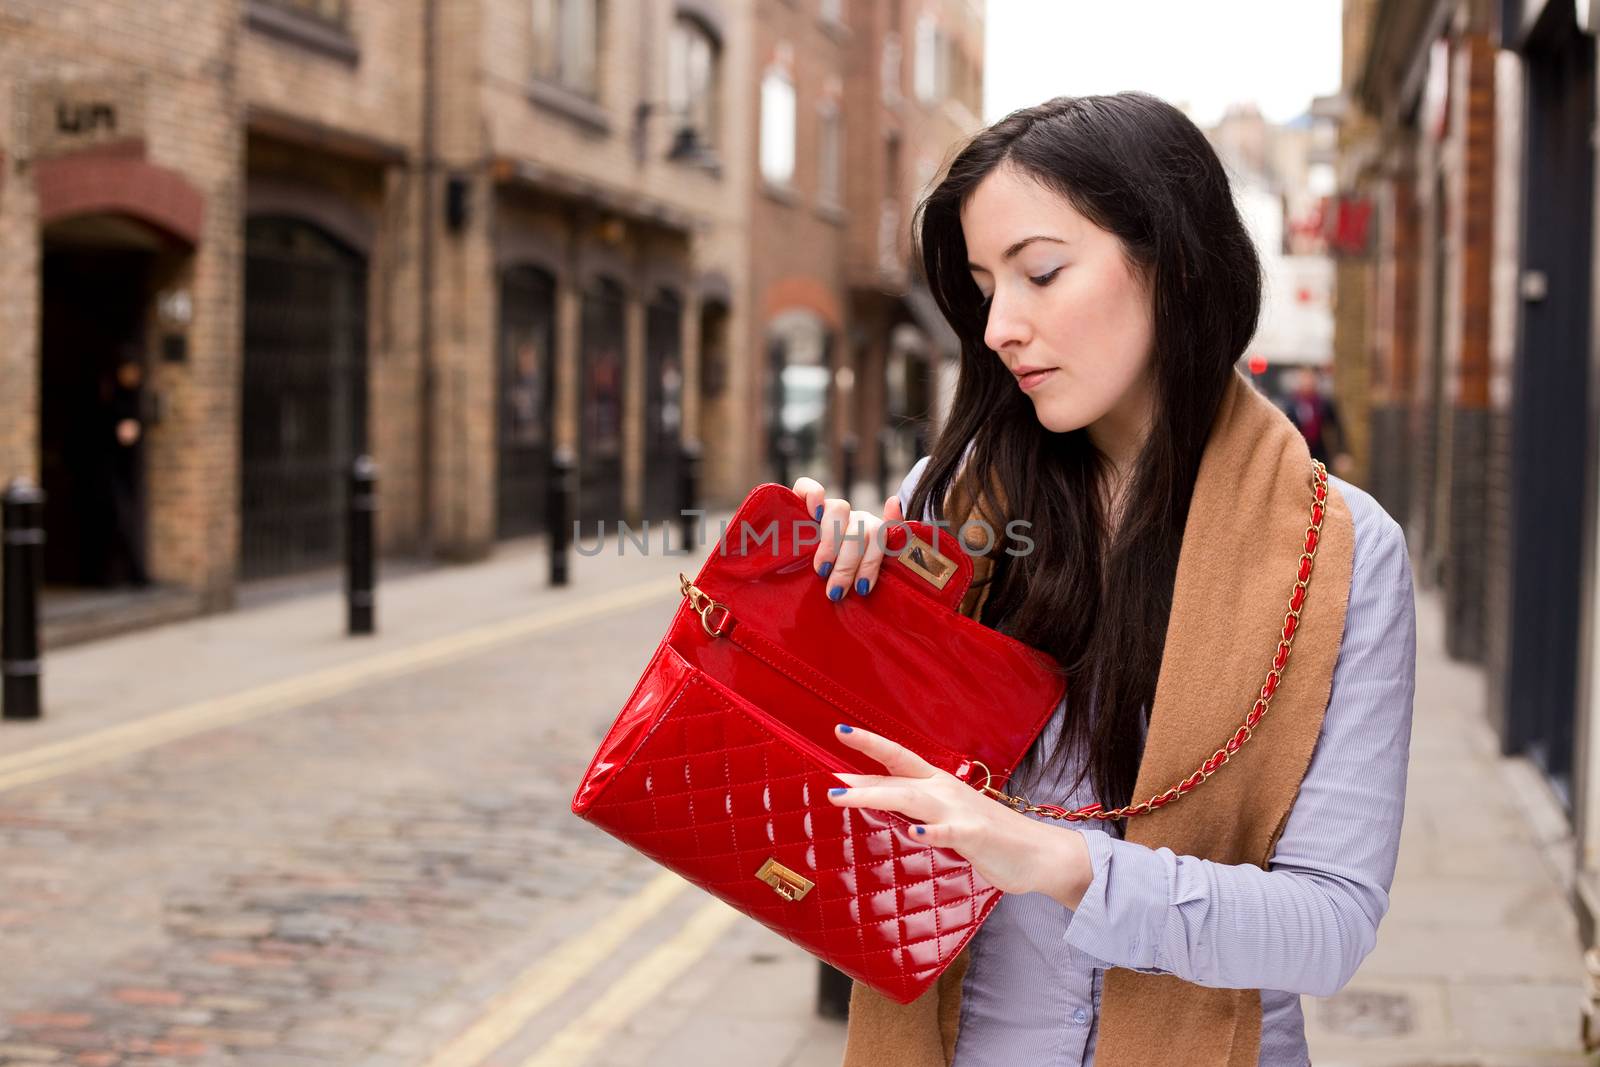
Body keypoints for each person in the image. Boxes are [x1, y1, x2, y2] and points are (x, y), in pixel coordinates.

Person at [789, 93, 1414, 1066]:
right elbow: (837, 823)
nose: (1000, 324)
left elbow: (1329, 924)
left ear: (1172, 261)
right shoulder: (942, 502)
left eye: (1040, 271)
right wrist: (822, 616)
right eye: (986, 284)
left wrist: (1058, 861)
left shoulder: (1339, 552)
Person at [1283, 367, 1350, 472]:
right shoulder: (1291, 404)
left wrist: (1341, 452)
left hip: (1320, 454)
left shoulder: (1323, 403)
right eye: (1304, 379)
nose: (1307, 383)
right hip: (1298, 453)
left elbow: (1337, 427)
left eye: (1310, 379)